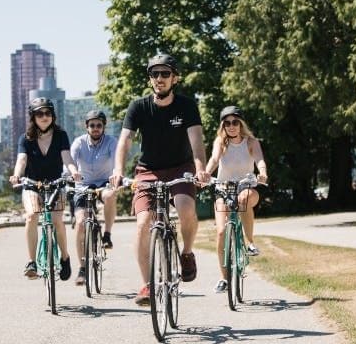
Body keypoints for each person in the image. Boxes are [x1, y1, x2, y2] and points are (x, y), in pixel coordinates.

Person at [109, 54, 211, 306]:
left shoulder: (187, 106)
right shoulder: (138, 107)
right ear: (150, 79)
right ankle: (147, 285)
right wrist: (118, 170)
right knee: (144, 222)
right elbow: (125, 140)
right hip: (148, 170)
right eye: (155, 74)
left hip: (181, 168)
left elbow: (196, 142)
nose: (160, 79)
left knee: (186, 208)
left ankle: (186, 253)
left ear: (174, 78)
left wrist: (201, 169)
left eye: (165, 74)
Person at [9, 97, 82, 280]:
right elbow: (22, 160)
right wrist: (17, 174)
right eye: (39, 113)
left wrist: (74, 172)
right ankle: (31, 262)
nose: (44, 117)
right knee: (32, 216)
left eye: (48, 113)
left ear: (53, 116)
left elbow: (67, 158)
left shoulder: (61, 135)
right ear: (33, 117)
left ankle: (65, 257)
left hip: (56, 184)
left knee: (57, 220)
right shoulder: (25, 139)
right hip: (32, 184)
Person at [205, 106, 268, 294]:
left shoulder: (251, 142)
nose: (231, 126)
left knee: (244, 200)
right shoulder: (220, 142)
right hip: (223, 189)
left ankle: (249, 243)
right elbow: (214, 159)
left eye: (235, 122)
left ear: (241, 124)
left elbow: (260, 160)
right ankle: (224, 278)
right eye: (227, 123)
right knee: (221, 232)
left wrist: (263, 173)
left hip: (246, 187)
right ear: (223, 126)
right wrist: (206, 174)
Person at [70, 109, 119, 286]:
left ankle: (106, 235)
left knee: (111, 195)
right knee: (81, 224)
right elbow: (70, 162)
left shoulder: (111, 142)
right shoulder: (79, 142)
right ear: (87, 127)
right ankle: (82, 268)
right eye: (92, 125)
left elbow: (116, 161)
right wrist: (72, 173)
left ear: (104, 127)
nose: (96, 128)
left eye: (99, 125)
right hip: (82, 185)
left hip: (103, 183)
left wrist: (115, 175)